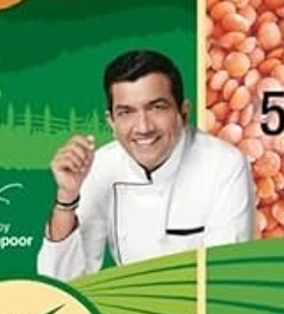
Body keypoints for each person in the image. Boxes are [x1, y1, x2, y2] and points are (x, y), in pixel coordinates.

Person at [36, 49, 255, 282]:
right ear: (112, 122)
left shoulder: (224, 165)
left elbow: (226, 276)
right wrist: (67, 196)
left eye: (156, 107)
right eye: (126, 112)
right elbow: (62, 282)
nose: (143, 127)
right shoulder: (100, 165)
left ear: (183, 112)